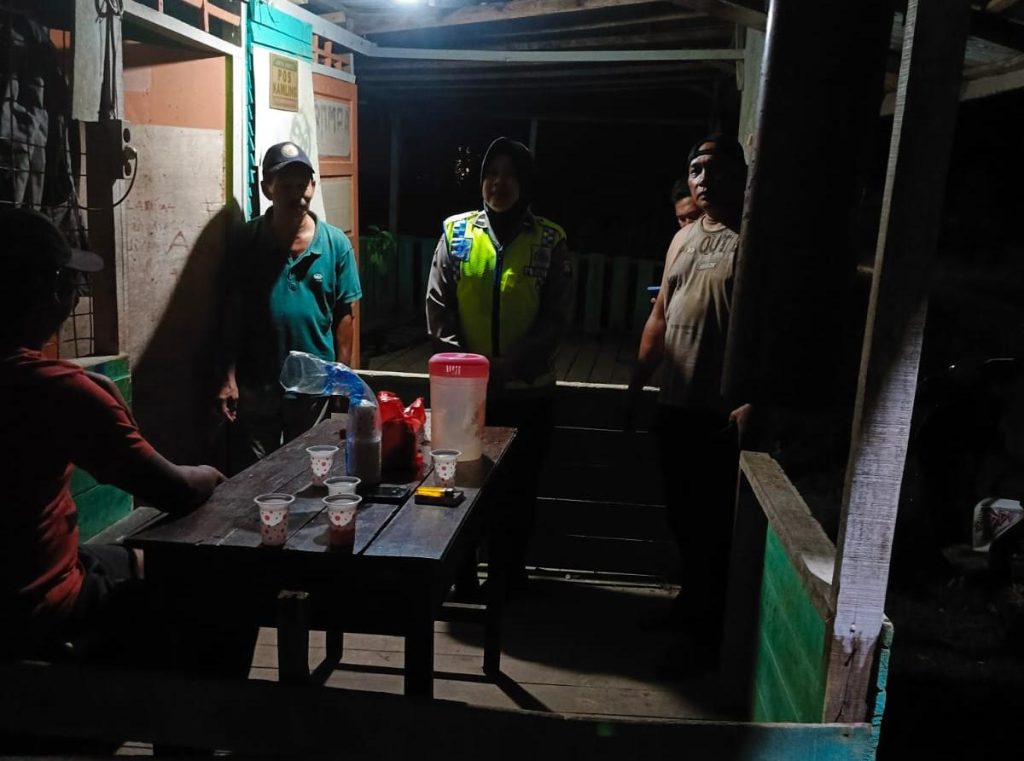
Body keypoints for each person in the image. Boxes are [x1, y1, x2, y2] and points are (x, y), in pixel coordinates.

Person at [0, 207, 254, 678]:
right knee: (231, 584)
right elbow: (174, 489)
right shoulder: (58, 393)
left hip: (32, 577)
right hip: (37, 612)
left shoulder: (51, 384)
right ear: (53, 292)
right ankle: (202, 716)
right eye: (72, 284)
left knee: (132, 559)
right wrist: (216, 478)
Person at [426, 137, 573, 595]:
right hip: (463, 396)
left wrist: (512, 365)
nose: (498, 183)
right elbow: (438, 308)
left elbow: (555, 317)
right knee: (462, 485)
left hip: (528, 392)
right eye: (491, 173)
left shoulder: (550, 239)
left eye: (510, 174)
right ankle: (461, 576)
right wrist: (470, 368)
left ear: (525, 183)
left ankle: (508, 579)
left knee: (519, 489)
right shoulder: (456, 233)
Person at [627, 134, 751, 670]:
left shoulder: (753, 238)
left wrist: (754, 398)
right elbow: (659, 316)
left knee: (714, 524)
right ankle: (690, 606)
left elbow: (770, 324)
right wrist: (637, 384)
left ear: (740, 175)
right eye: (696, 169)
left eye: (715, 168)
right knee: (681, 516)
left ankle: (711, 631)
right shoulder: (682, 238)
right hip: (674, 403)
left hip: (719, 411)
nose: (704, 179)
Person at [217, 142, 362, 473]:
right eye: (286, 185)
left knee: (310, 473)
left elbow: (344, 317)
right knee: (257, 476)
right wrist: (227, 378)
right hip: (258, 387)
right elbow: (230, 315)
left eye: (303, 184)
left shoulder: (335, 244)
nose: (298, 194)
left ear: (313, 186)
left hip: (314, 388)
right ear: (267, 187)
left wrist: (341, 377)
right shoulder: (246, 241)